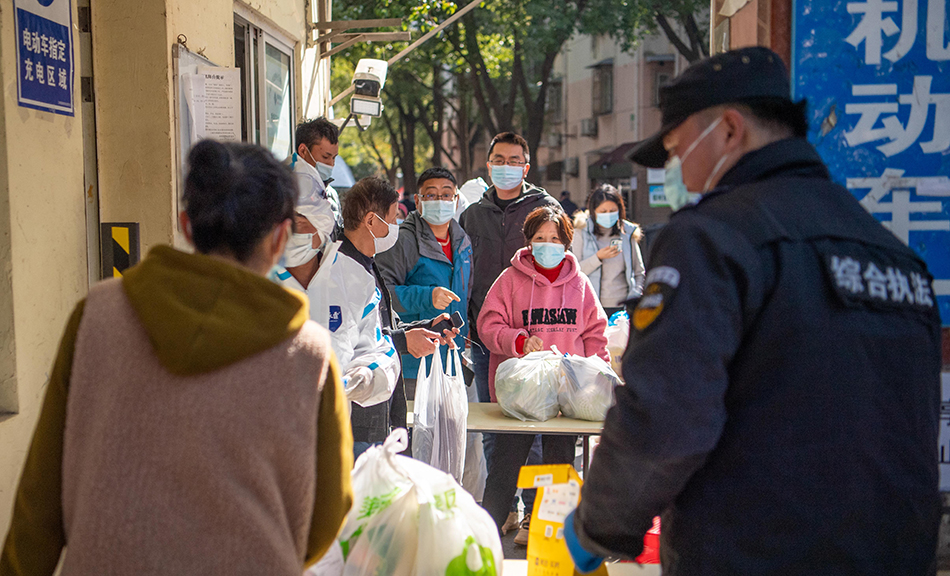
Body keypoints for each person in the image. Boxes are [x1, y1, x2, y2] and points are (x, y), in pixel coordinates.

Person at [564, 47, 942, 575]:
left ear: (729, 130)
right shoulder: (892, 255)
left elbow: (668, 414)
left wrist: (600, 523)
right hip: (893, 551)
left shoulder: (712, 238)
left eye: (674, 150)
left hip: (756, 550)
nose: (675, 172)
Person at [0, 141, 354, 575]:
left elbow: (40, 499)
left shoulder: (97, 316)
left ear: (187, 226)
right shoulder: (310, 354)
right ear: (281, 236)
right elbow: (328, 512)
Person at [478, 206, 609, 541]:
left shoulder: (579, 284)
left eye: (554, 239)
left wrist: (597, 379)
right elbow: (488, 325)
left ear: (566, 244)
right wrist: (518, 340)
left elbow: (595, 334)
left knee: (559, 470)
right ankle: (483, 537)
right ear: (528, 242)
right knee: (505, 469)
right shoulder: (508, 281)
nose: (547, 245)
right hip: (521, 397)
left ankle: (549, 535)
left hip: (568, 398)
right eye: (540, 238)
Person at [459, 132, 560, 535]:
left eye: (513, 159)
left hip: (536, 341)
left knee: (533, 429)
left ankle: (536, 512)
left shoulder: (543, 208)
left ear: (526, 166)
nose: (505, 165)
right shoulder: (472, 214)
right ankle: (505, 509)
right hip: (487, 338)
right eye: (498, 159)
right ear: (488, 165)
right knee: (495, 426)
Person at [376, 167, 472, 399]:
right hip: (414, 363)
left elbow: (466, 295)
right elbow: (381, 295)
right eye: (431, 195)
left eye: (446, 194)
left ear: (456, 200)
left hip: (451, 358)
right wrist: (427, 296)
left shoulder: (463, 242)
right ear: (418, 202)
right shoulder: (402, 241)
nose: (440, 200)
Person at [571, 184, 646, 317]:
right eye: (603, 211)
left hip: (623, 308)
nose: (608, 215)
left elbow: (639, 272)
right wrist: (598, 257)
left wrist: (635, 297)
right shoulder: (581, 232)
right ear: (594, 212)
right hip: (590, 306)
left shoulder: (628, 233)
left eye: (612, 211)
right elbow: (575, 272)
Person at [292, 117, 342, 248]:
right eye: (325, 157)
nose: (331, 164)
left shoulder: (330, 193)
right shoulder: (290, 189)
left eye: (334, 158)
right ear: (303, 151)